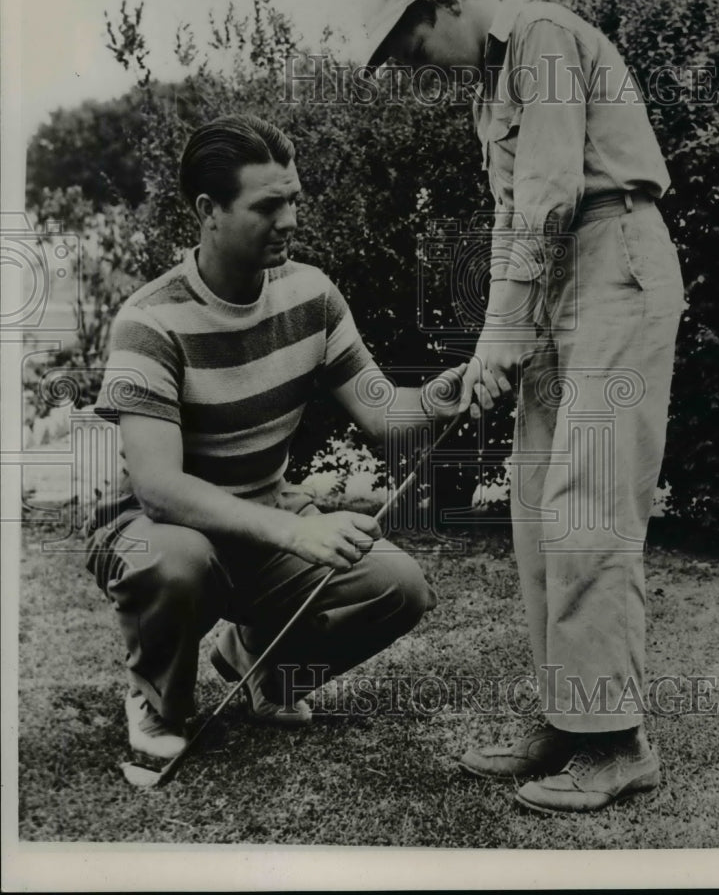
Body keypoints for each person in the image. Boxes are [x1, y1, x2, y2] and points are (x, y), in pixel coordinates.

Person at [360, 0, 685, 813]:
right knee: (540, 502)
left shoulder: (540, 35)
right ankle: (565, 718)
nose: (409, 63)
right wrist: (497, 341)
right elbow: (519, 223)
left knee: (590, 500)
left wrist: (506, 326)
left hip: (616, 264)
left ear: (442, 5)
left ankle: (617, 744)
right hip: (558, 286)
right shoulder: (488, 85)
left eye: (406, 42)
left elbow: (547, 195)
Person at [85, 113, 466, 760]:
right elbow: (159, 489)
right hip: (153, 529)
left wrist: (438, 397)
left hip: (263, 519)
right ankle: (158, 703)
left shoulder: (313, 295)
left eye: (294, 200)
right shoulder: (149, 322)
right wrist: (297, 532)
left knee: (397, 585)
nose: (290, 220)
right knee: (177, 563)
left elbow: (383, 415)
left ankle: (264, 666)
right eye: (268, 205)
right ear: (209, 210)